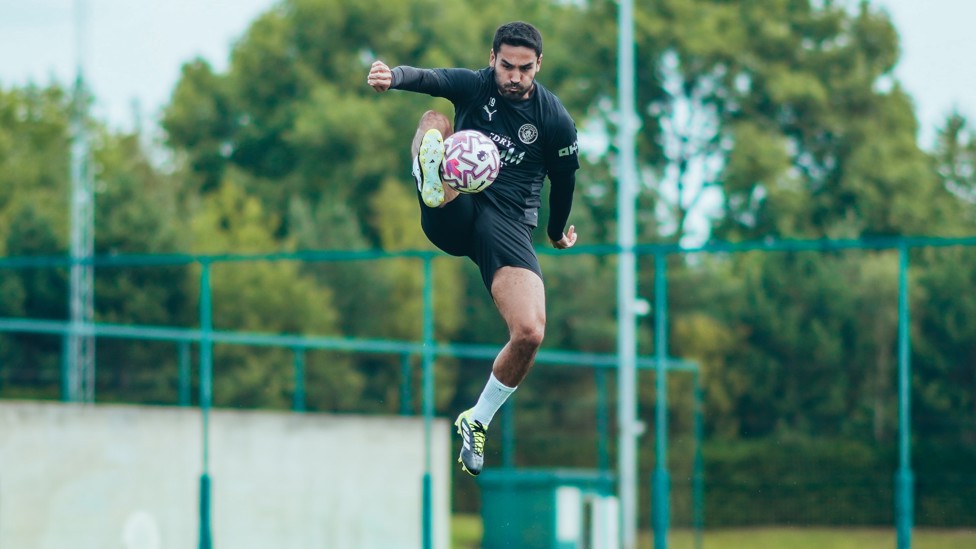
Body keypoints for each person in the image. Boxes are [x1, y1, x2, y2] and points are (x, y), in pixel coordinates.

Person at [366, 21, 579, 476]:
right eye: (507, 66)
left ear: (538, 65)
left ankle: (477, 418)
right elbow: (428, 78)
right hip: (457, 209)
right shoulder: (475, 85)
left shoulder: (554, 119)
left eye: (525, 68)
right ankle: (432, 180)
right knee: (435, 122)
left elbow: (564, 182)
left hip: (507, 226)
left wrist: (557, 231)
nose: (515, 76)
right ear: (492, 58)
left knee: (530, 331)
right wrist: (392, 76)